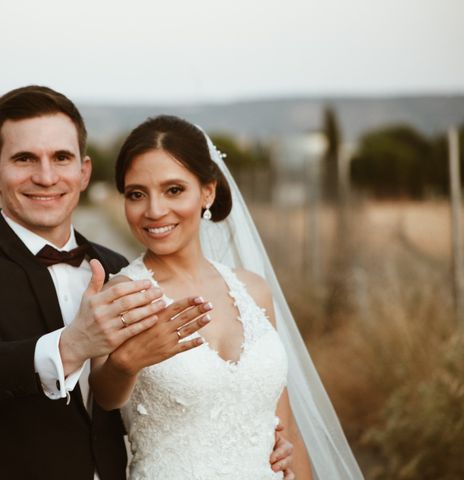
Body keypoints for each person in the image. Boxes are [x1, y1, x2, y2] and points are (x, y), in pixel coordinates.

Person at [0, 86, 294, 479]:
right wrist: (75, 343)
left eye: (61, 158)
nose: (45, 177)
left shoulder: (118, 270)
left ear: (84, 172)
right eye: (25, 158)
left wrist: (257, 438)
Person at [90, 115, 364, 479]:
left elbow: (287, 428)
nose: (154, 211)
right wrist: (127, 362)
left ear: (208, 191)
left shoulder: (253, 290)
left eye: (174, 190)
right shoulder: (124, 294)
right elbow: (104, 396)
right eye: (137, 194)